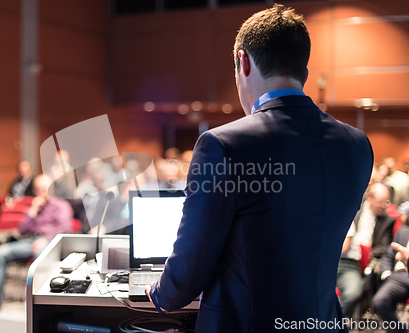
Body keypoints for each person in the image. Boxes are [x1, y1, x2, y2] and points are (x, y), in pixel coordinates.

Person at [145, 5, 373, 332]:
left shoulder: (223, 145)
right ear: (304, 72)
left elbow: (189, 270)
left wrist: (157, 293)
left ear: (243, 62)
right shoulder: (357, 145)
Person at [0, 174, 73, 316]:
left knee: (40, 254)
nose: (40, 192)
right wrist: (32, 212)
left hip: (51, 243)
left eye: (43, 189)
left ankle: (40, 303)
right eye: (37, 189)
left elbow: (65, 227)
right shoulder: (35, 206)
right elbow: (22, 230)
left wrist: (46, 239)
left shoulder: (61, 205)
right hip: (31, 240)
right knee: (0, 253)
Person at [336, 183, 394, 317]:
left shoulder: (387, 221)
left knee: (353, 292)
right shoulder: (353, 210)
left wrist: (368, 253)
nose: (383, 205)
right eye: (380, 201)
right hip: (332, 259)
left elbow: (384, 246)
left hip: (352, 263)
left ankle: (330, 324)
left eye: (386, 201)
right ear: (369, 198)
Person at [372, 226, 409, 333]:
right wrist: (387, 274)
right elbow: (388, 256)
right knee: (379, 300)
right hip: (398, 276)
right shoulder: (403, 231)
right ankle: (399, 331)